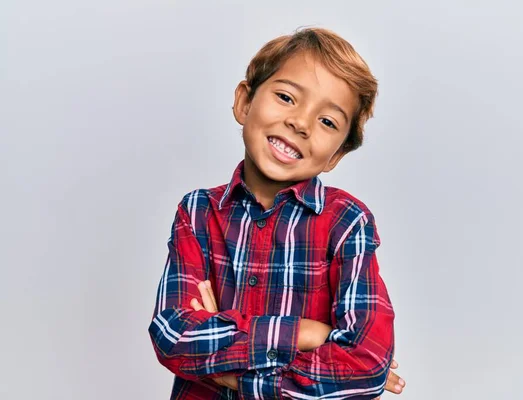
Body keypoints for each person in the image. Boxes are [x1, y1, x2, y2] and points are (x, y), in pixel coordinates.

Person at [148, 27, 406, 399]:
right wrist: (303, 333)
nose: (300, 123)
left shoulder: (347, 222)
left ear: (336, 156)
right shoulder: (197, 212)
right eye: (286, 97)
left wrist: (231, 371)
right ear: (244, 102)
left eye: (327, 121)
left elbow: (365, 368)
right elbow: (173, 336)